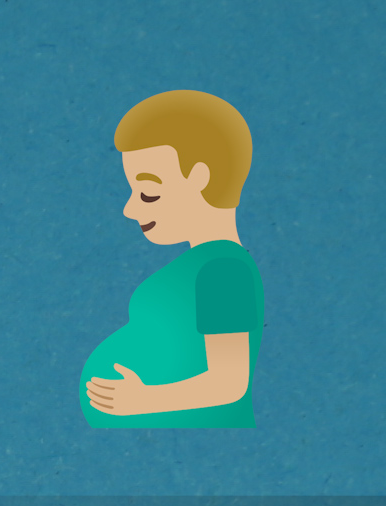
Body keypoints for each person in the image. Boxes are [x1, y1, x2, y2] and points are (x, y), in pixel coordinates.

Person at [81, 91, 263, 428]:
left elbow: (230, 383)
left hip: (200, 445)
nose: (130, 208)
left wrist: (141, 400)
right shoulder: (205, 264)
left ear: (199, 178)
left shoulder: (224, 270)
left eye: (148, 192)